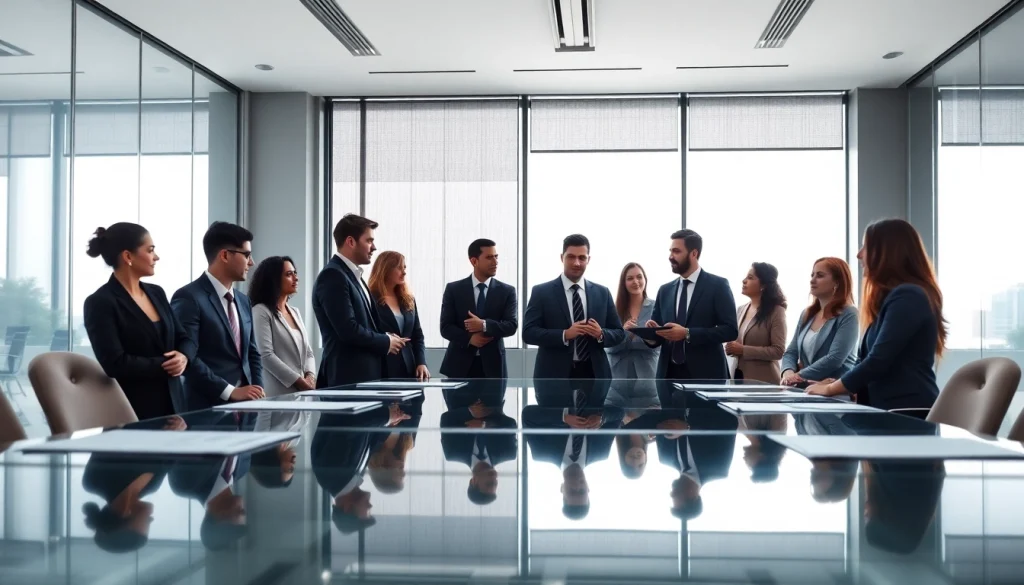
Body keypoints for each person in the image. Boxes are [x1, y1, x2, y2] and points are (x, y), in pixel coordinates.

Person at [808, 219, 947, 412]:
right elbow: (866, 362)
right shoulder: (889, 300)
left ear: (887, 252)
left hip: (905, 412)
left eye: (866, 246)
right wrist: (839, 383)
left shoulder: (909, 296)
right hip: (882, 408)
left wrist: (830, 389)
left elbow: (878, 361)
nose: (859, 255)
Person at [82, 223, 192, 419]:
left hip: (176, 406)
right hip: (133, 410)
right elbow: (114, 362)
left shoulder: (157, 293)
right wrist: (166, 365)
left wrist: (184, 357)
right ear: (128, 256)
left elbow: (184, 338)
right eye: (150, 250)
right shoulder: (100, 302)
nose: (156, 257)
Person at [172, 222, 264, 411]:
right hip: (205, 408)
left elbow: (252, 352)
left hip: (248, 408)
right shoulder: (189, 297)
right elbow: (188, 356)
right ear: (224, 255)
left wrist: (258, 389)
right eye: (246, 254)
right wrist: (229, 391)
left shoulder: (243, 300)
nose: (252, 262)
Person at [313, 214, 405, 387]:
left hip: (363, 377)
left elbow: (364, 325)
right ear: (351, 241)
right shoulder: (333, 276)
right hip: (346, 379)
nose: (374, 247)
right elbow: (348, 329)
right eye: (369, 241)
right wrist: (385, 341)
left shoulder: (355, 277)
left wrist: (384, 336)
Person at [523, 234, 625, 381]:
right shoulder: (541, 292)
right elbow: (529, 333)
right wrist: (564, 334)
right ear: (561, 257)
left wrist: (601, 334)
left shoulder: (602, 293)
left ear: (588, 260)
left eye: (582, 258)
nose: (576, 263)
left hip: (595, 375)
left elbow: (619, 333)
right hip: (553, 376)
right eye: (571, 257)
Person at [646, 229, 738, 380]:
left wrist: (687, 333)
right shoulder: (665, 290)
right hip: (668, 376)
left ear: (694, 254)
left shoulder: (718, 285)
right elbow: (659, 336)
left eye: (676, 251)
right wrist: (650, 336)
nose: (670, 257)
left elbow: (730, 330)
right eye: (670, 251)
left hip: (707, 376)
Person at [439, 238, 518, 379]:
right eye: (489, 257)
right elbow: (445, 327)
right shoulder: (454, 289)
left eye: (496, 256)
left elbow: (511, 326)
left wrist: (484, 325)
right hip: (458, 367)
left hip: (493, 369)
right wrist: (469, 339)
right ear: (474, 261)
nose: (495, 262)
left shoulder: (507, 291)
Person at [780, 257, 859, 387]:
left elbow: (835, 359)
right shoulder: (807, 314)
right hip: (805, 390)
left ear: (837, 282)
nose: (812, 280)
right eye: (812, 275)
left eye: (820, 275)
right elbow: (791, 352)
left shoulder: (849, 313)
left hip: (834, 391)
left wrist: (798, 376)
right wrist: (788, 373)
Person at [249, 256, 316, 397]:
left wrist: (310, 377)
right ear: (273, 280)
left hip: (302, 392)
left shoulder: (295, 312)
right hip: (276, 391)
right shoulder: (261, 311)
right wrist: (298, 381)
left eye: (295, 273)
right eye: (288, 274)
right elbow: (266, 355)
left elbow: (308, 352)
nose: (296, 278)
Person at [367, 251, 429, 381]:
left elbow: (417, 335)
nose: (404, 272)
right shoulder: (370, 298)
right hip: (382, 367)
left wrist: (421, 362)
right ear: (386, 269)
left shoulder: (408, 299)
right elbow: (368, 333)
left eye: (404, 268)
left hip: (409, 367)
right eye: (399, 268)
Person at [724, 262, 788, 384]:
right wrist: (731, 348)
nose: (744, 281)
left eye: (750, 277)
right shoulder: (741, 309)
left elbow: (778, 351)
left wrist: (743, 350)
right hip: (737, 379)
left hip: (763, 383)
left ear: (763, 285)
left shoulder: (776, 311)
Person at [607, 262, 658, 389]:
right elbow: (609, 348)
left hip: (648, 379)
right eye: (630, 278)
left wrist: (645, 337)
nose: (636, 281)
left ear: (645, 279)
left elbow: (660, 345)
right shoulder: (613, 310)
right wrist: (624, 334)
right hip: (617, 382)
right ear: (623, 283)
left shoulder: (656, 307)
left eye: (639, 277)